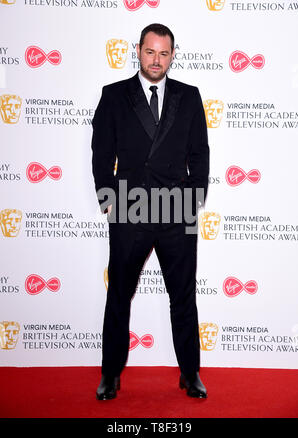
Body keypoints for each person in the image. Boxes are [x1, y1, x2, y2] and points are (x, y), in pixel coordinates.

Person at [91, 23, 209, 400]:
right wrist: (111, 201)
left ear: (173, 55)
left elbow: (200, 156)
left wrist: (191, 200)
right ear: (137, 51)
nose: (156, 60)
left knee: (183, 297)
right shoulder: (114, 96)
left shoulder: (189, 97)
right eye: (150, 51)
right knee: (118, 296)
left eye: (164, 53)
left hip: (176, 211)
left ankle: (190, 373)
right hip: (131, 210)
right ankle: (111, 373)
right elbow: (101, 155)